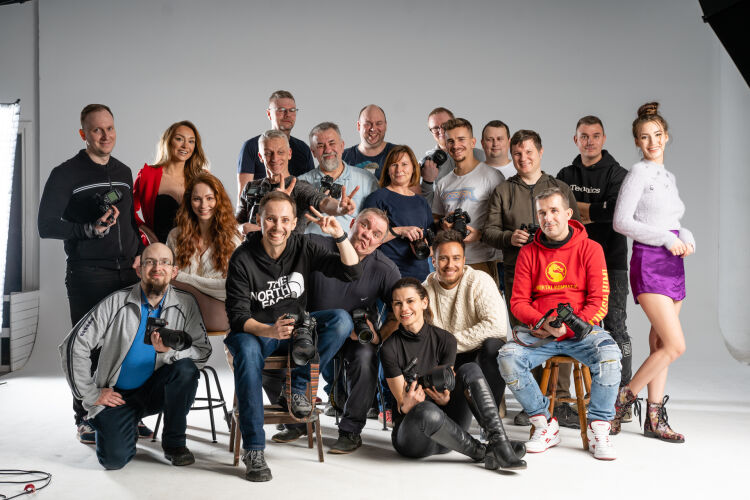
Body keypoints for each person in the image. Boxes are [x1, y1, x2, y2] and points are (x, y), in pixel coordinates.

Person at [224, 191, 363, 482]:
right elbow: (237, 318)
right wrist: (269, 330)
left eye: (285, 220)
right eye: (271, 219)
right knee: (246, 353)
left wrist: (339, 235)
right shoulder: (242, 258)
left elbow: (352, 271)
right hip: (255, 332)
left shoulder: (303, 245)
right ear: (259, 219)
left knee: (340, 320)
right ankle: (254, 449)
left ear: (294, 222)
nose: (278, 226)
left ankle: (296, 388)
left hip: (294, 330)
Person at [38, 103, 145, 443]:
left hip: (127, 273)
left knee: (127, 346)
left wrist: (140, 253)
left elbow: (129, 222)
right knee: (86, 346)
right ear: (83, 133)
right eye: (97, 130)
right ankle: (85, 417)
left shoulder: (123, 171)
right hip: (89, 272)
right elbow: (45, 225)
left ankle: (126, 415)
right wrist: (88, 229)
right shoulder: (65, 174)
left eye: (109, 128)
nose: (105, 135)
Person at [59, 242, 212, 470]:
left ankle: (174, 444)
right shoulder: (116, 302)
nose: (157, 268)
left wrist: (170, 353)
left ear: (174, 271)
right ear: (139, 270)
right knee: (113, 460)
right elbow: (73, 345)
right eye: (150, 262)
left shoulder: (186, 303)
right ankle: (122, 426)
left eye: (164, 262)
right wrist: (90, 394)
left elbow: (202, 350)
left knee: (186, 369)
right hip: (117, 396)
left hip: (156, 390)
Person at [497, 187, 622, 461]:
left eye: (554, 211)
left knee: (611, 355)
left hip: (581, 331)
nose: (548, 218)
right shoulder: (528, 252)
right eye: (542, 213)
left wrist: (571, 327)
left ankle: (599, 428)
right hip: (541, 331)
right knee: (507, 357)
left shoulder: (591, 249)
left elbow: (599, 301)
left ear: (568, 213)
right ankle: (544, 423)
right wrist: (542, 322)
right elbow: (518, 302)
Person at [275, 208, 400, 453]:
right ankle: (297, 419)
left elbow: (398, 312)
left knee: (366, 356)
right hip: (314, 330)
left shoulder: (385, 269)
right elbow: (281, 247)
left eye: (377, 234)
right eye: (365, 225)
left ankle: (351, 431)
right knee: (332, 325)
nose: (368, 235)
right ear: (352, 223)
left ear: (381, 242)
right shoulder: (318, 245)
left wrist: (379, 336)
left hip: (355, 337)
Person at [482, 129, 580, 427]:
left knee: (560, 329)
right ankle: (533, 403)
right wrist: (510, 237)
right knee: (528, 335)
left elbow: (576, 227)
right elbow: (488, 231)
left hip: (558, 273)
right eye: (517, 154)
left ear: (540, 152)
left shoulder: (559, 187)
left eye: (528, 152)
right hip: (518, 272)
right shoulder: (503, 190)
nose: (523, 158)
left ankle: (559, 400)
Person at [380, 278, 526, 470]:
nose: (404, 308)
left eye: (410, 301)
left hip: (450, 432)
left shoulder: (445, 339)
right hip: (414, 438)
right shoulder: (389, 348)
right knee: (426, 411)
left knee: (470, 368)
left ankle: (499, 442)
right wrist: (406, 406)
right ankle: (484, 451)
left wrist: (445, 399)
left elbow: (446, 386)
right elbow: (402, 403)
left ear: (424, 302)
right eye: (398, 303)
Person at [611, 102, 694, 442]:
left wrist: (684, 235)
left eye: (657, 135)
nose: (653, 142)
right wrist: (665, 238)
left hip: (674, 262)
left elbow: (670, 220)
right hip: (650, 261)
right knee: (675, 345)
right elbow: (621, 222)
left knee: (660, 342)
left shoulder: (668, 177)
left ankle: (654, 419)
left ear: (666, 136)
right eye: (645, 137)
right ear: (637, 142)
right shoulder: (638, 174)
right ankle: (622, 400)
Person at [557, 116, 632, 408]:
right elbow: (558, 211)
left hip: (611, 261)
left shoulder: (617, 173)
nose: (590, 142)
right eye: (584, 136)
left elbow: (615, 213)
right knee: (578, 326)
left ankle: (621, 398)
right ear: (575, 139)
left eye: (595, 135)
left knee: (615, 326)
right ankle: (583, 395)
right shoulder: (565, 173)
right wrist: (595, 210)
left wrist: (577, 211)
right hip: (573, 262)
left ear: (604, 139)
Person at [423, 230, 508, 418]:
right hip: (446, 360)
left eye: (456, 258)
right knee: (450, 421)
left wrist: (449, 342)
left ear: (464, 260)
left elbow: (497, 327)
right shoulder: (424, 291)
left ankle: (490, 418)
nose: (450, 265)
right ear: (434, 261)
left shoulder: (479, 280)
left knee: (495, 347)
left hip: (477, 353)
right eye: (443, 259)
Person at [236, 130, 356, 236]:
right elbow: (235, 223)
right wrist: (241, 228)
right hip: (251, 253)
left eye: (280, 152)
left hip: (288, 254)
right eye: (268, 153)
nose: (274, 158)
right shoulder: (250, 187)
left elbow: (323, 201)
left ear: (289, 154)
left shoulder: (299, 187)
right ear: (260, 156)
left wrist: (339, 208)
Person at [166, 173, 241, 331]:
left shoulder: (232, 240)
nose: (203, 205)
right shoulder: (175, 236)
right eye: (197, 199)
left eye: (209, 198)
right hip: (180, 309)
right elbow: (167, 279)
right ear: (189, 201)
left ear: (218, 200)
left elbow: (233, 288)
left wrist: (183, 278)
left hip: (218, 313)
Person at [432, 118, 504, 284]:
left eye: (461, 139)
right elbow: (435, 219)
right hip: (450, 263)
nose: (456, 145)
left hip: (482, 259)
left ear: (472, 142)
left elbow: (504, 220)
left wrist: (481, 235)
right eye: (450, 141)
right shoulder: (443, 182)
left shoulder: (492, 176)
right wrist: (443, 224)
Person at [362, 145, 433, 281]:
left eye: (404, 164)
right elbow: (366, 237)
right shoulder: (378, 198)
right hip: (389, 275)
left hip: (421, 275)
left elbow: (431, 241)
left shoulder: (421, 202)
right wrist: (400, 231)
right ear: (388, 170)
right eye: (394, 165)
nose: (399, 170)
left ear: (413, 168)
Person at [133, 120, 208, 244]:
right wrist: (146, 231)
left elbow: (215, 213)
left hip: (196, 248)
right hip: (160, 249)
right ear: (168, 141)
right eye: (179, 139)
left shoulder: (202, 177)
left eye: (191, 141)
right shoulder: (147, 175)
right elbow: (128, 210)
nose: (185, 146)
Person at [299, 122, 379, 236]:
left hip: (351, 245)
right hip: (310, 244)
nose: (327, 150)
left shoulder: (367, 180)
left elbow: (377, 224)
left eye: (332, 143)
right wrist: (315, 207)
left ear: (342, 146)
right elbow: (291, 226)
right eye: (320, 146)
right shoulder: (301, 182)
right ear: (313, 152)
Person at [236, 90, 314, 199]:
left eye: (292, 110)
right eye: (281, 110)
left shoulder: (303, 149)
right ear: (269, 114)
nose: (287, 115)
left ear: (289, 153)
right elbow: (243, 198)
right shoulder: (251, 146)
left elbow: (311, 193)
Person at [419, 107, 486, 205]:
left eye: (445, 125)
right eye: (435, 128)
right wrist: (427, 181)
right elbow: (426, 205)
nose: (441, 130)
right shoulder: (426, 164)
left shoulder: (480, 155)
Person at [342, 104, 396, 179]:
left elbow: (411, 185)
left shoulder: (400, 155)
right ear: (358, 126)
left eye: (378, 123)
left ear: (385, 125)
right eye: (368, 123)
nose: (373, 128)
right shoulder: (342, 158)